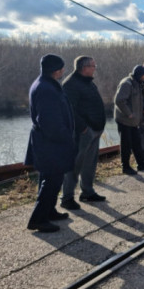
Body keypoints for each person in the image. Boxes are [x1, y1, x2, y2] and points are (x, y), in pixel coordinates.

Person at [25, 54, 77, 233]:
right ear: (56, 70)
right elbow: (50, 122)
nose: (64, 71)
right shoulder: (46, 89)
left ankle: (49, 210)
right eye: (62, 68)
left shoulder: (45, 83)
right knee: (52, 180)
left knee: (50, 178)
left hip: (48, 142)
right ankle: (38, 219)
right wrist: (66, 138)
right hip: (51, 143)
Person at [60, 56, 106, 211]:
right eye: (93, 66)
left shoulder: (88, 82)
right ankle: (67, 198)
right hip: (83, 132)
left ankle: (87, 192)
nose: (95, 68)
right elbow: (69, 110)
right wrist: (84, 128)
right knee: (74, 165)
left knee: (89, 164)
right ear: (84, 67)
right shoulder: (71, 84)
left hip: (94, 130)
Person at [114, 65, 144, 175]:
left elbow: (140, 98)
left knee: (136, 142)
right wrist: (129, 114)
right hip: (125, 119)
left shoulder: (137, 83)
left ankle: (141, 164)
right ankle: (125, 167)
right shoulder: (127, 83)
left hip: (134, 120)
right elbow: (119, 100)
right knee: (126, 144)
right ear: (138, 74)